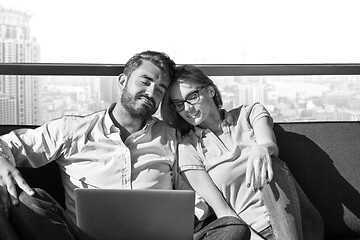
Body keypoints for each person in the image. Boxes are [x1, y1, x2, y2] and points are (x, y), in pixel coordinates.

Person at [0, 51, 250, 240]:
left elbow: (194, 197)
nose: (152, 92)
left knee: (234, 229)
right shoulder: (72, 130)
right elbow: (6, 145)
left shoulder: (172, 137)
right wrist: (3, 164)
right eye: (145, 81)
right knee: (28, 202)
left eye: (161, 88)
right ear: (122, 81)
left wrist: (182, 224)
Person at [161, 64, 325, 240]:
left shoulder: (249, 113)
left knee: (270, 161)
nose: (187, 108)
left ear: (210, 91)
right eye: (179, 104)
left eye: (192, 96)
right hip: (254, 234)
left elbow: (269, 144)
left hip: (300, 223)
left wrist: (262, 149)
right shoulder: (188, 148)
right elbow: (223, 212)